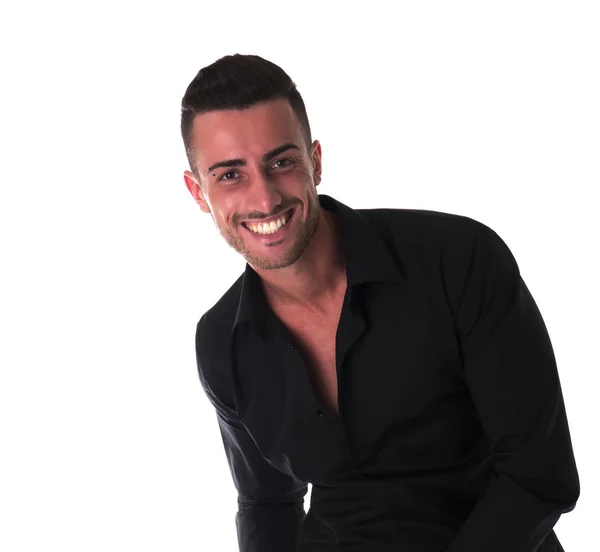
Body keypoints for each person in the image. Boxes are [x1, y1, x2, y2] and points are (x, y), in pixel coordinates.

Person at [180, 54, 580, 552]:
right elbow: (267, 504)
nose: (264, 199)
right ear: (198, 192)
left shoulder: (458, 262)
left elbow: (538, 475)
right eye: (230, 175)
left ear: (316, 161)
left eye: (281, 162)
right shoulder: (221, 341)